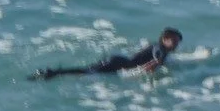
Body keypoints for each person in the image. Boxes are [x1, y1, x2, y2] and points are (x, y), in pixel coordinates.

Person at [35, 28, 182, 80]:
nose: (176, 44)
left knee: (86, 71)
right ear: (164, 39)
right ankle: (53, 73)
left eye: (177, 42)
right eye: (174, 41)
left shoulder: (161, 49)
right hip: (119, 64)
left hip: (119, 62)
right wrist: (147, 77)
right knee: (86, 72)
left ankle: (54, 73)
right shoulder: (160, 49)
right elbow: (153, 63)